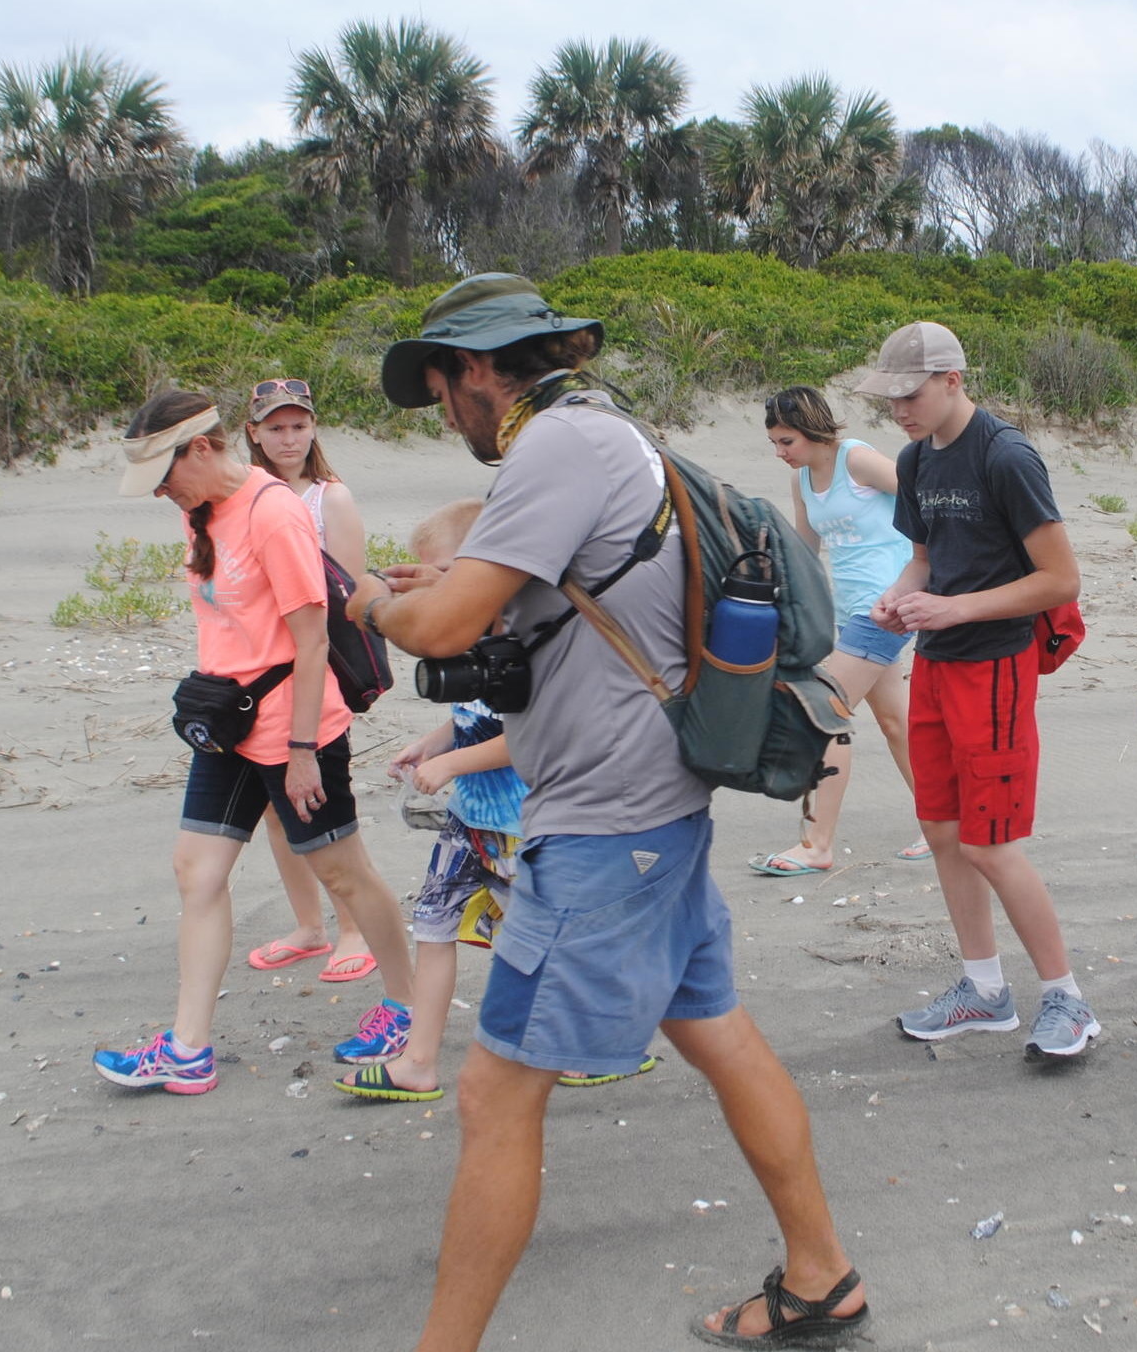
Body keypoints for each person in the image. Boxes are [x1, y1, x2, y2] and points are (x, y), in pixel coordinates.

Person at [351, 274, 866, 1351]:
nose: (446, 410)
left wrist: (374, 600)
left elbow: (443, 626)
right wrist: (437, 591)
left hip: (603, 828)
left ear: (482, 367)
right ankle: (820, 1274)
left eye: (443, 384)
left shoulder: (556, 446)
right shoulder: (608, 432)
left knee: (494, 1096)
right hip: (651, 812)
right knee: (716, 1031)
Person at [92, 390, 416, 1096]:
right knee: (196, 872)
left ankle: (406, 1007)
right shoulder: (200, 510)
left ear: (201, 450)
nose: (161, 494)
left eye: (164, 476)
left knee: (343, 874)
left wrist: (302, 751)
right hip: (229, 723)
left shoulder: (275, 515)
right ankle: (186, 1050)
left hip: (296, 729)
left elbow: (310, 641)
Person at [330, 499, 658, 1102]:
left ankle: (608, 1040)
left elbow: (535, 737)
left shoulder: (530, 639)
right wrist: (433, 743)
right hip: (467, 821)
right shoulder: (465, 643)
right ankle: (417, 1063)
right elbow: (474, 719)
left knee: (554, 941)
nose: (437, 592)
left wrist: (452, 764)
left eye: (449, 576)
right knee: (434, 926)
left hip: (522, 822)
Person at [858, 322, 1098, 1060]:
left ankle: (1067, 1000)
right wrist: (898, 598)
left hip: (994, 666)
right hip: (934, 661)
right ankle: (984, 990)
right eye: (889, 396)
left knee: (991, 845)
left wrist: (956, 608)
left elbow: (1060, 580)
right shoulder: (913, 458)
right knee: (942, 832)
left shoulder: (1005, 455)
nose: (899, 409)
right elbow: (925, 559)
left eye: (912, 393)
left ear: (954, 381)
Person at [748, 386, 926, 876]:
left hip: (886, 607)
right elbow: (805, 552)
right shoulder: (804, 480)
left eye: (787, 442)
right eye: (775, 444)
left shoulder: (858, 460)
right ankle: (943, 822)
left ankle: (816, 844)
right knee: (896, 724)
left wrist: (921, 570)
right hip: (849, 613)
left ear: (813, 431)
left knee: (823, 713)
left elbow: (924, 499)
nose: (781, 453)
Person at [240, 377, 379, 985]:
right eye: (275, 427)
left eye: (298, 426)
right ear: (253, 433)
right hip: (258, 676)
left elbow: (346, 596)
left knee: (321, 805)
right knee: (275, 811)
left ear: (314, 429)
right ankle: (309, 926)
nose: (288, 437)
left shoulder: (329, 499)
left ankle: (355, 929)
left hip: (311, 669)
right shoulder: (243, 496)